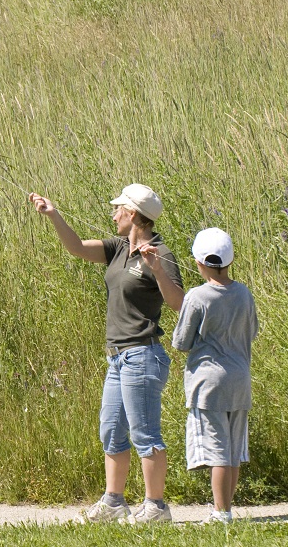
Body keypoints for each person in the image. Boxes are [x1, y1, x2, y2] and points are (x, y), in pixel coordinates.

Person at [29, 184, 184, 523]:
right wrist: (53, 215)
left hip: (143, 355)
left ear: (132, 215)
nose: (113, 215)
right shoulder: (117, 249)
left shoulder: (161, 253)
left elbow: (178, 304)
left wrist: (156, 268)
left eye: (118, 210)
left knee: (145, 433)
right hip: (117, 358)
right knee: (112, 431)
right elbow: (77, 248)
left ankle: (156, 507)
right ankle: (114, 502)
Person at [151, 227, 257, 525]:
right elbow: (253, 330)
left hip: (208, 384)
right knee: (233, 451)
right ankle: (226, 508)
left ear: (198, 261)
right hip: (240, 380)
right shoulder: (244, 293)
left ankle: (221, 513)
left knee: (218, 451)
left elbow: (180, 342)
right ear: (230, 260)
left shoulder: (197, 296)